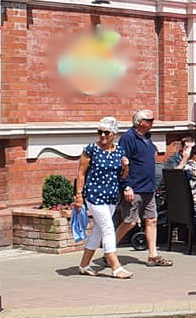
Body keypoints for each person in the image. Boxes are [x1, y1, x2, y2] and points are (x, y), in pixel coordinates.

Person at [74, 117, 132, 278]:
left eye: (106, 132)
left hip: (112, 196)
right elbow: (81, 173)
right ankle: (116, 266)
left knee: (98, 231)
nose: (102, 136)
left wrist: (126, 167)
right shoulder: (91, 149)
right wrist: (79, 196)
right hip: (94, 195)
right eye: (100, 132)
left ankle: (84, 265)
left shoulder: (119, 151)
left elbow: (122, 176)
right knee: (108, 228)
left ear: (114, 134)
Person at [114, 109, 172, 267]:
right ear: (140, 122)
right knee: (130, 222)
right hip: (134, 187)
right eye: (150, 120)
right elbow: (122, 163)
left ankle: (153, 256)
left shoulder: (147, 137)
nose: (153, 122)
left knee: (152, 220)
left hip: (149, 188)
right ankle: (109, 250)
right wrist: (126, 186)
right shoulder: (128, 138)